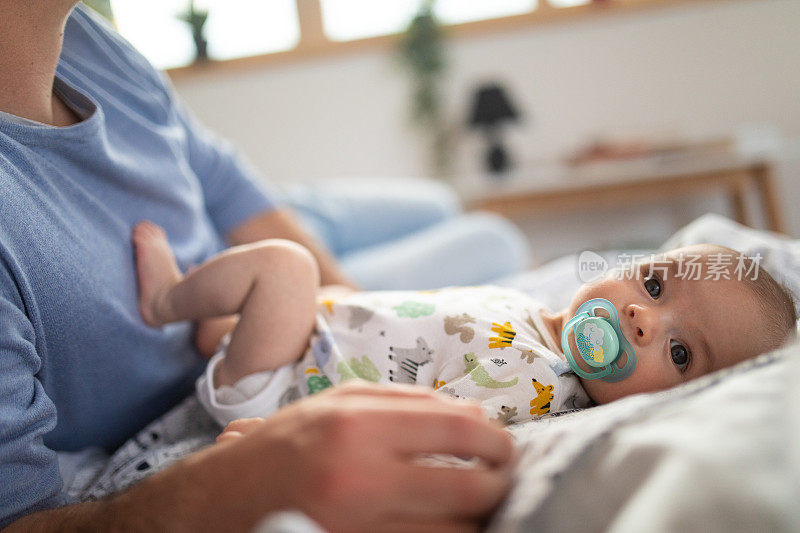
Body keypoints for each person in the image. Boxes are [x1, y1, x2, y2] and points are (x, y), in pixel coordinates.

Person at [0, 2, 525, 529]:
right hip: (239, 303)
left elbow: (221, 178)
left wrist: (352, 305)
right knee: (491, 240)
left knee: (439, 205)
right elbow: (18, 515)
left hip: (244, 232)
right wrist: (227, 484)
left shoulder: (86, 37)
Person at [131, 221, 796, 430]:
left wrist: (279, 438)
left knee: (285, 265)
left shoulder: (538, 386)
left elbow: (417, 429)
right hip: (321, 333)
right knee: (324, 291)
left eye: (680, 352)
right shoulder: (535, 314)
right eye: (653, 283)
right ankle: (217, 327)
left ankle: (166, 300)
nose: (642, 318)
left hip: (284, 386)